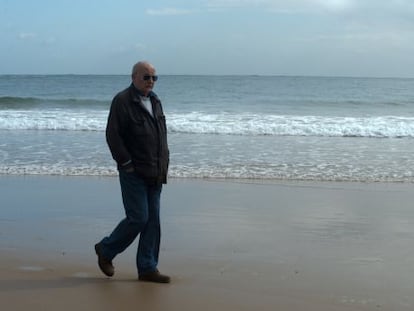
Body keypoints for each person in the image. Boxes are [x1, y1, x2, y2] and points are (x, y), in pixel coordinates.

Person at [94, 61, 170, 283]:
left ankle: (147, 268)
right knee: (139, 218)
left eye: (154, 78)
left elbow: (160, 135)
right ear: (133, 77)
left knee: (153, 221)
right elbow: (113, 136)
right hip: (133, 171)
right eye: (146, 77)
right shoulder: (122, 101)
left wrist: (164, 163)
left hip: (155, 171)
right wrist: (126, 163)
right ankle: (106, 250)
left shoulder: (155, 101)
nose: (150, 81)